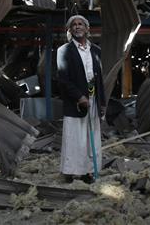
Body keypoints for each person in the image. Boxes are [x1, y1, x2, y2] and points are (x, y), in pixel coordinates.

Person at [56, 15, 105, 183]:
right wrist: (79, 96)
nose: (77, 27)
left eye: (80, 24)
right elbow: (63, 79)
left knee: (91, 138)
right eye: (74, 25)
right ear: (70, 30)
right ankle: (69, 172)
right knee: (74, 137)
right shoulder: (64, 51)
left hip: (93, 100)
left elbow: (100, 80)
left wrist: (102, 103)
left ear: (87, 28)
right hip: (75, 102)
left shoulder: (96, 50)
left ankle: (88, 172)